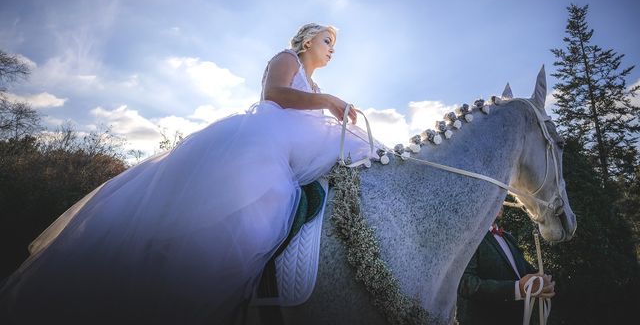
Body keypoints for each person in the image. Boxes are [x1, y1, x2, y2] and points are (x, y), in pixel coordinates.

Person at [0, 23, 377, 324]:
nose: (331, 48)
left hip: (299, 147)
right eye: (327, 40)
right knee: (260, 209)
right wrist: (328, 102)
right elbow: (275, 95)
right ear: (308, 40)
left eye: (334, 45)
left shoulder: (316, 84)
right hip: (268, 140)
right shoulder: (287, 60)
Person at [456, 207, 555, 325]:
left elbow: (526, 272)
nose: (500, 202)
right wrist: (517, 289)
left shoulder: (509, 238)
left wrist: (542, 282)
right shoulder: (468, 237)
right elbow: (466, 284)